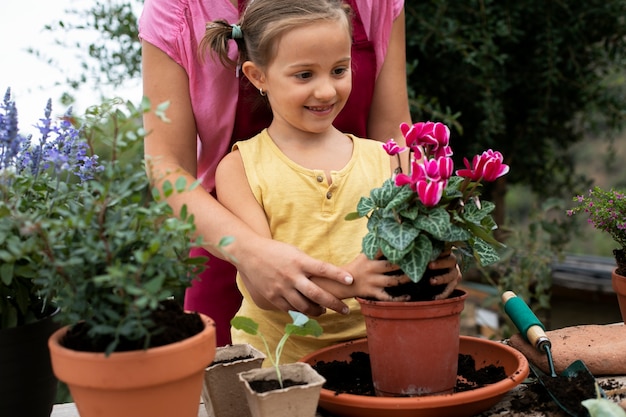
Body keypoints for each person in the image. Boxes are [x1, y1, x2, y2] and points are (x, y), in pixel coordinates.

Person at [139, 0, 461, 346]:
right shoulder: (178, 9)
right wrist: (252, 254)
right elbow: (166, 165)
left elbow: (394, 137)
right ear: (256, 76)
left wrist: (428, 234)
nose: (325, 90)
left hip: (366, 262)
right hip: (226, 243)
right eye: (305, 74)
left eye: (340, 69)